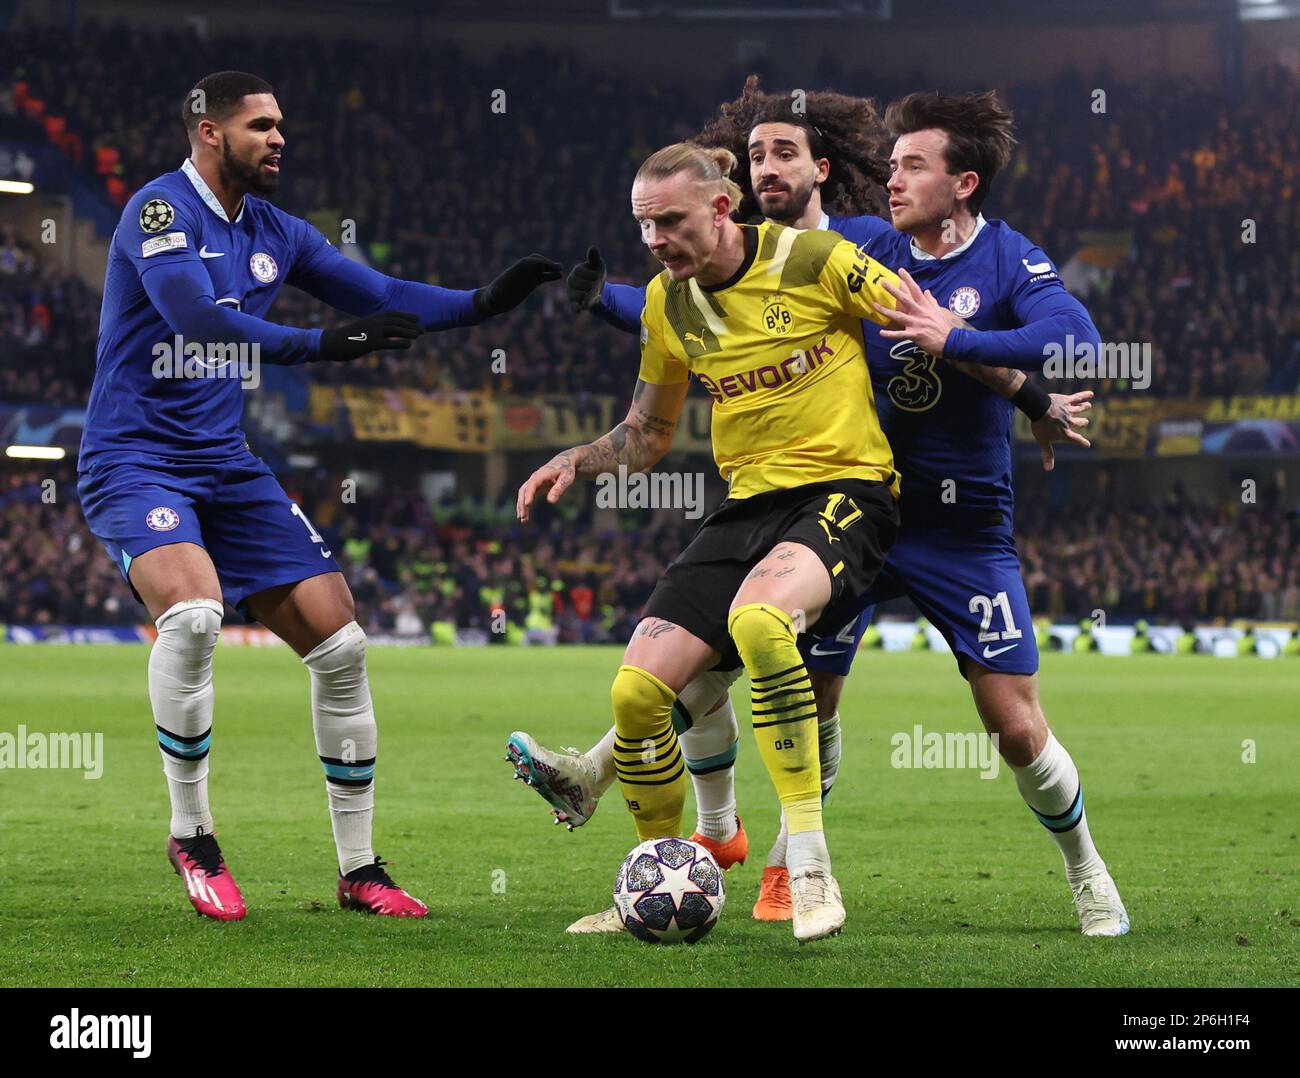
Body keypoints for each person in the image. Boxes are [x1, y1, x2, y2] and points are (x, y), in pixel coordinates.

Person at [513, 82, 1127, 940]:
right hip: (839, 505)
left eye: (912, 164)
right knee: (762, 667)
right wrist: (611, 302)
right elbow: (718, 307)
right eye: (893, 162)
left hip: (952, 524)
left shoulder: (1000, 262)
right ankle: (767, 861)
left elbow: (1036, 341)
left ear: (964, 184)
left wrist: (1022, 388)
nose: (893, 180)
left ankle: (1086, 868)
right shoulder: (866, 241)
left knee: (1015, 727)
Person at [78, 71, 559, 921]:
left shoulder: (276, 230)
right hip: (136, 457)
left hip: (225, 463)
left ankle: (359, 869)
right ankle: (193, 836)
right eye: (261, 126)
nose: (279, 139)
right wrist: (323, 347)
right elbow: (196, 319)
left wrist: (485, 302)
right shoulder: (157, 212)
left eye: (282, 126)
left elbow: (382, 296)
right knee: (193, 616)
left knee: (341, 647)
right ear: (209, 134)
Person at [517, 139, 908, 942]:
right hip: (746, 506)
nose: (655, 240)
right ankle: (652, 884)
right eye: (643, 227)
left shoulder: (815, 258)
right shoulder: (669, 303)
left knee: (762, 625)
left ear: (723, 208)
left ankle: (808, 870)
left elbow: (923, 323)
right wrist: (578, 459)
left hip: (847, 493)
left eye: (669, 222)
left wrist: (1030, 391)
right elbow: (647, 433)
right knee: (634, 696)